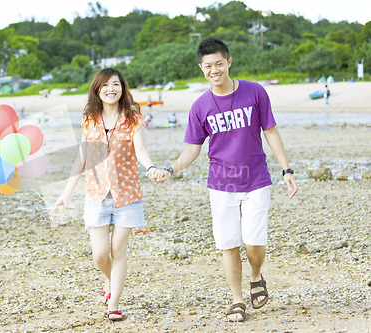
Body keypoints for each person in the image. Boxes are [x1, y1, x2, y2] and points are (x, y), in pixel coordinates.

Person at [154, 37, 298, 322]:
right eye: (208, 66)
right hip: (221, 184)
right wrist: (171, 169)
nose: (214, 70)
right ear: (201, 68)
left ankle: (256, 275)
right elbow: (193, 149)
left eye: (219, 63)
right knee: (229, 244)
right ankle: (236, 300)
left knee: (254, 241)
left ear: (229, 62)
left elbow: (270, 131)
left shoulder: (254, 92)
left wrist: (287, 170)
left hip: (256, 178)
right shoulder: (200, 106)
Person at [53, 68, 158, 321]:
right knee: (100, 254)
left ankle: (114, 303)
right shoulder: (89, 119)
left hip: (128, 196)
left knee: (118, 251)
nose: (111, 89)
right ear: (97, 90)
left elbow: (141, 151)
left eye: (116, 85)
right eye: (105, 86)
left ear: (122, 88)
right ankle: (110, 282)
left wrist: (151, 168)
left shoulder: (133, 118)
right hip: (96, 194)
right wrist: (66, 194)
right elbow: (82, 158)